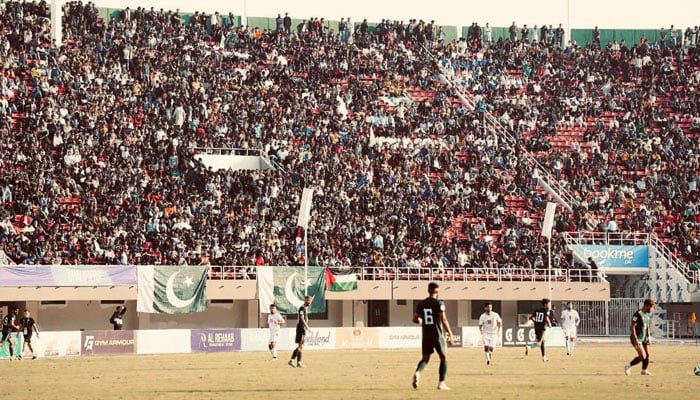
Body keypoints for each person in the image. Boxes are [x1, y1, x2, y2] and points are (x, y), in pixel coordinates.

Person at [412, 282, 455, 391]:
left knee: (425, 358)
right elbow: (443, 319)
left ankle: (418, 372)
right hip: (437, 334)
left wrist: (420, 321)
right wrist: (450, 333)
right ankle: (441, 383)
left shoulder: (421, 304)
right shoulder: (439, 303)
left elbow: (414, 319)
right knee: (443, 357)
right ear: (437, 291)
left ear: (428, 290)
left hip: (426, 335)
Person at [625, 299, 655, 376]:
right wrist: (635, 339)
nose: (652, 309)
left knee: (647, 355)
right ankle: (629, 365)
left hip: (645, 337)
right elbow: (632, 326)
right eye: (651, 307)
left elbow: (647, 327)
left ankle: (644, 370)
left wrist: (649, 337)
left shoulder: (648, 315)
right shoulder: (637, 314)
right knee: (642, 356)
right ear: (646, 306)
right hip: (637, 338)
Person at [288, 295, 312, 368]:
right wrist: (307, 327)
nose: (310, 302)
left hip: (302, 328)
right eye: (309, 301)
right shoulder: (302, 308)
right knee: (300, 345)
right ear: (306, 300)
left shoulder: (304, 309)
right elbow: (302, 318)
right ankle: (291, 360)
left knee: (301, 346)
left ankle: (299, 362)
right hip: (301, 328)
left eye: (310, 301)